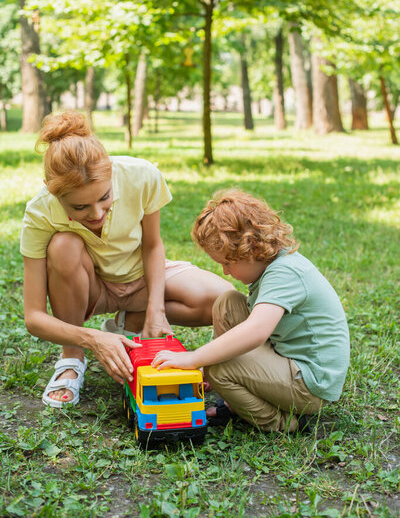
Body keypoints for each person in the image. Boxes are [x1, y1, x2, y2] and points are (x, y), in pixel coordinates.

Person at [21, 111, 232, 408]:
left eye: (104, 198)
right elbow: (34, 318)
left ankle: (131, 320)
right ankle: (71, 357)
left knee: (224, 300)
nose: (95, 214)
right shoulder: (39, 212)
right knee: (63, 245)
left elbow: (152, 244)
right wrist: (91, 339)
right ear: (51, 188)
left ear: (111, 173)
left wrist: (156, 310)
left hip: (141, 279)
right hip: (92, 288)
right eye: (80, 206)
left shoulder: (141, 175)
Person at [152, 189, 350, 433]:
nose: (224, 271)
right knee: (228, 303)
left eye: (227, 262)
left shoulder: (285, 273)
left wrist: (195, 359)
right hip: (289, 362)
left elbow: (256, 331)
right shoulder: (274, 265)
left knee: (219, 368)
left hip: (310, 384)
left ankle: (282, 422)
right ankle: (235, 401)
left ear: (251, 250)